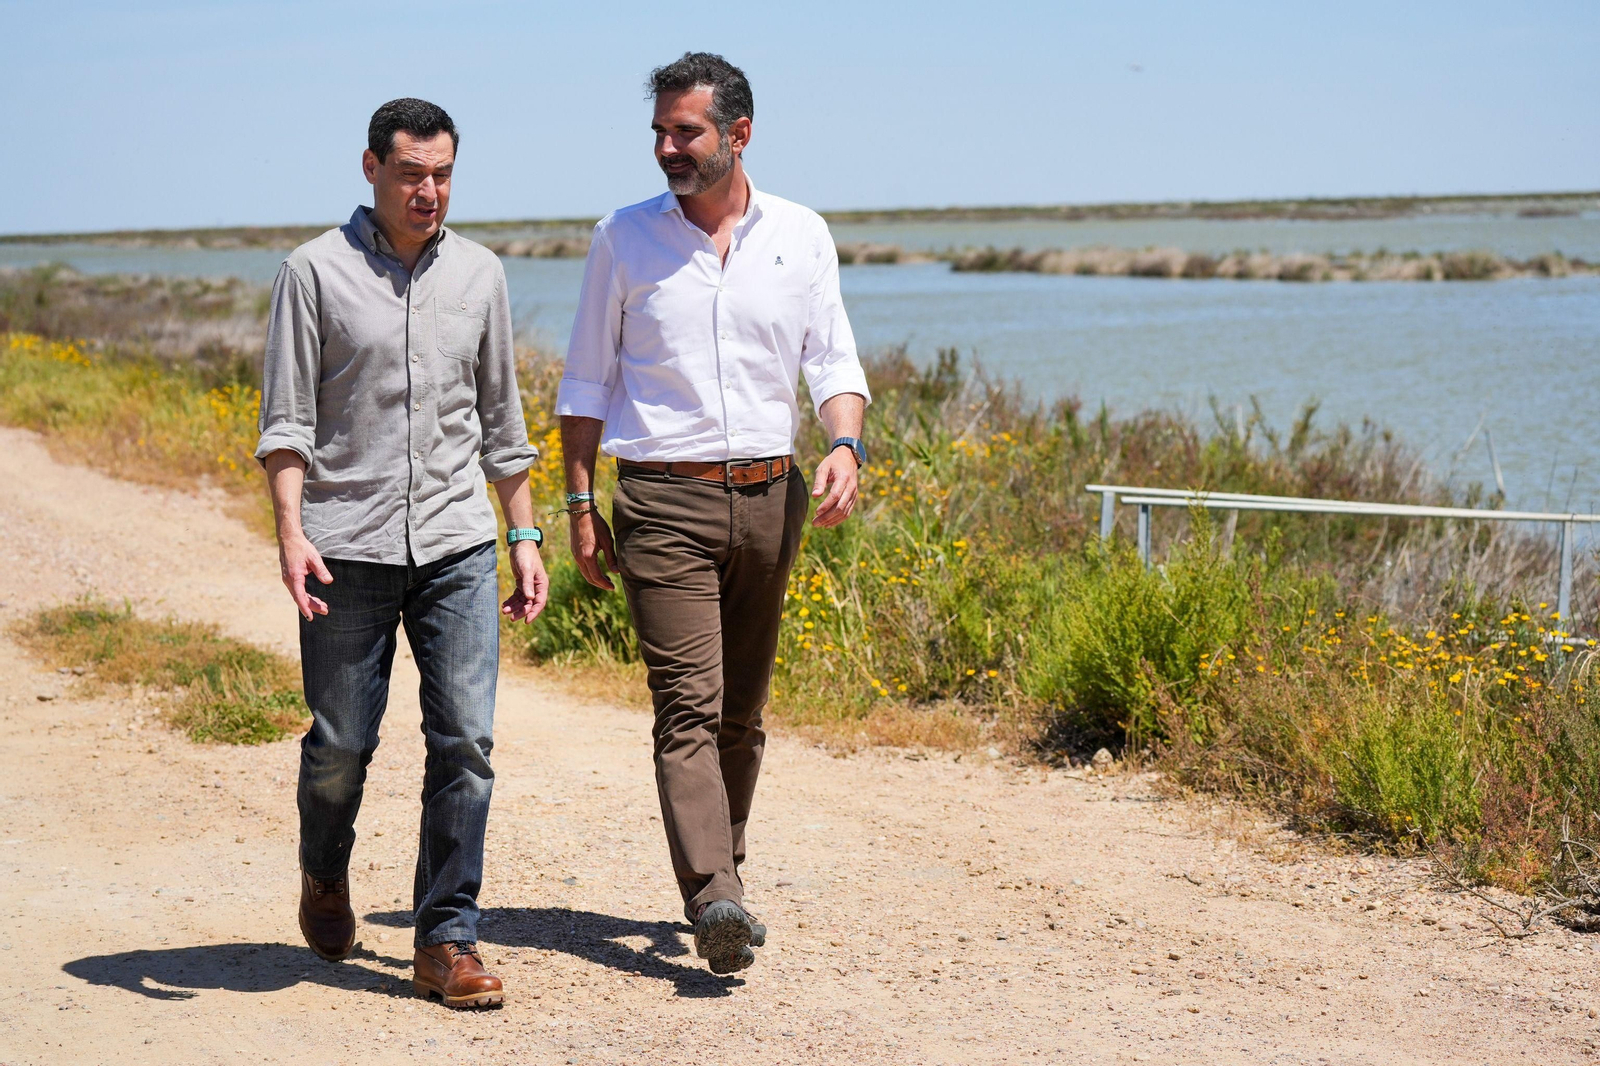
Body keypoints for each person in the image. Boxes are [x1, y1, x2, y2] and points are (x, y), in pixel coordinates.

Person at [558, 53, 871, 975]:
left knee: (742, 711)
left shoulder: (802, 235)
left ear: (738, 134)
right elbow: (585, 382)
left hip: (772, 497)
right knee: (687, 705)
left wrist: (844, 445)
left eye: (684, 131)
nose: (666, 148)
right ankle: (714, 897)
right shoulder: (623, 239)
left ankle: (722, 874)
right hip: (661, 500)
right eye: (659, 131)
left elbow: (833, 362)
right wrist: (579, 506)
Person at [255, 97, 548, 1008]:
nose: (430, 190)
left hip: (459, 541)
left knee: (465, 740)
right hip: (348, 546)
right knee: (341, 746)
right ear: (373, 168)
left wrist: (525, 533)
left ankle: (446, 939)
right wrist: (292, 534)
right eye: (413, 172)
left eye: (444, 173)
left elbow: (503, 422)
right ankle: (324, 872)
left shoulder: (481, 274)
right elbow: (287, 424)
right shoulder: (313, 272)